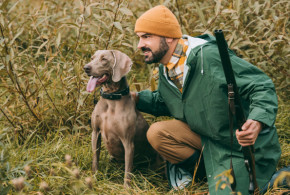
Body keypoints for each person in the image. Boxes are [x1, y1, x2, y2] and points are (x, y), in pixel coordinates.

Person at [132, 5, 281, 195]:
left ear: (168, 37)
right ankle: (204, 173)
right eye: (139, 37)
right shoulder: (166, 66)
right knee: (157, 133)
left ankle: (279, 179)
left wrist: (257, 121)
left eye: (146, 36)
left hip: (239, 144)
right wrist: (135, 98)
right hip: (207, 136)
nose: (139, 45)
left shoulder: (209, 56)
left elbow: (261, 85)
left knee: (233, 192)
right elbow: (170, 101)